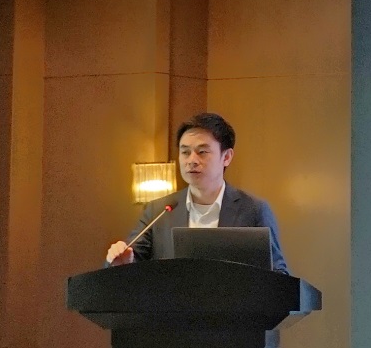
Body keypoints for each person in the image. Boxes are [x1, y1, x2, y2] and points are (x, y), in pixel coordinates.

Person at [105, 112, 288, 274]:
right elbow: (129, 262)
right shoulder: (159, 210)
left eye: (202, 152)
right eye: (185, 152)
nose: (191, 160)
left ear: (226, 157)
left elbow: (279, 276)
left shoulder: (254, 210)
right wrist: (119, 262)